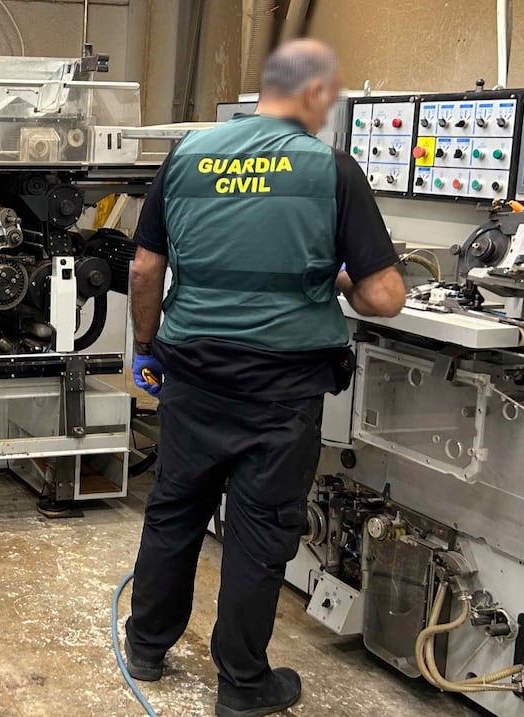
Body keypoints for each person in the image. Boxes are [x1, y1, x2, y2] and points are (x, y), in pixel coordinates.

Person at [123, 39, 406, 716]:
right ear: (313, 94)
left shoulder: (187, 154)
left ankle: (146, 647)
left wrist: (146, 346)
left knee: (175, 509)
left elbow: (143, 268)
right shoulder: (331, 169)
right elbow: (386, 297)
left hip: (193, 371)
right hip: (281, 388)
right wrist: (338, 277)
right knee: (258, 532)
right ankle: (243, 685)